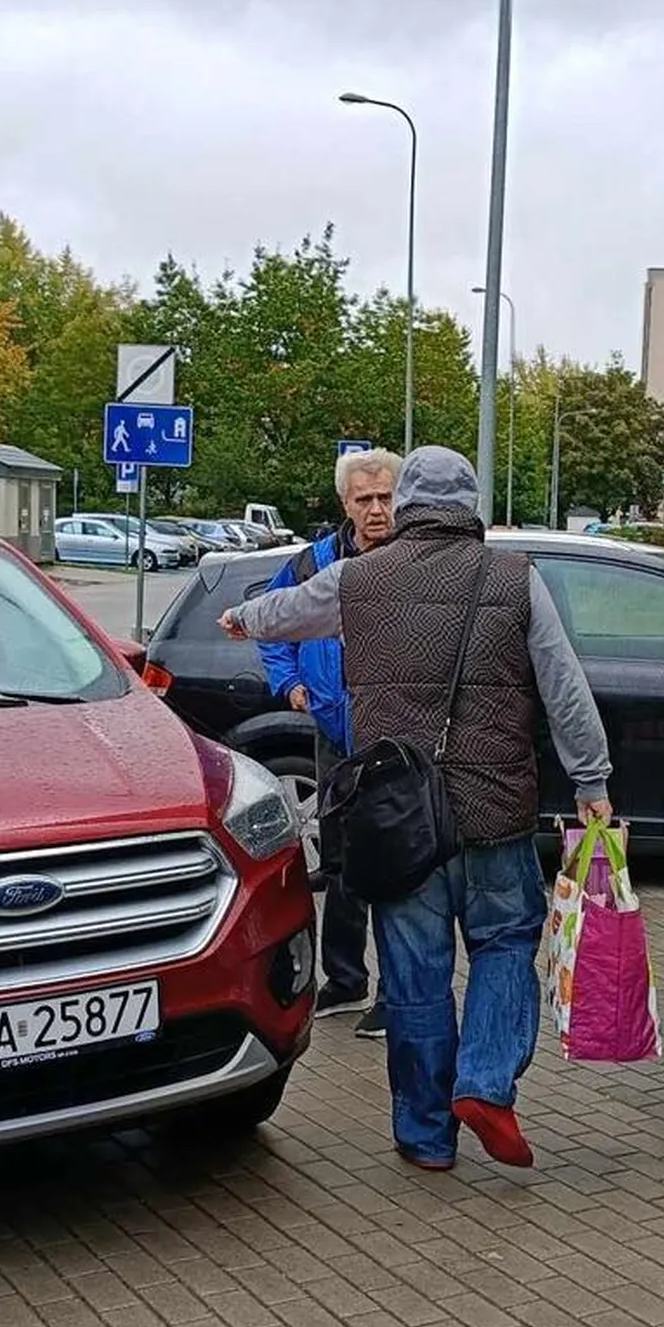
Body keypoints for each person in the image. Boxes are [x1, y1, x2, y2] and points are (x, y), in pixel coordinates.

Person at [222, 447, 612, 1173]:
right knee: (504, 942)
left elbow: (284, 614)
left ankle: (427, 1136)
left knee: (414, 975)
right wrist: (591, 781)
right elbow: (564, 688)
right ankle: (486, 1083)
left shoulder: (358, 578)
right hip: (495, 808)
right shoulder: (515, 578)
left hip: (400, 817)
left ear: (403, 505)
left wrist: (240, 617)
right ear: (471, 504)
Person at [258, 448, 401, 1042]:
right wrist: (289, 681)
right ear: (345, 502)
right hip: (334, 735)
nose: (377, 509)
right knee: (340, 862)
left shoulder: (412, 560)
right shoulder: (313, 562)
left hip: (396, 742)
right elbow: (271, 621)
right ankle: (345, 979)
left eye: (386, 497)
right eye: (365, 499)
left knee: (395, 867)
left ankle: (397, 994)